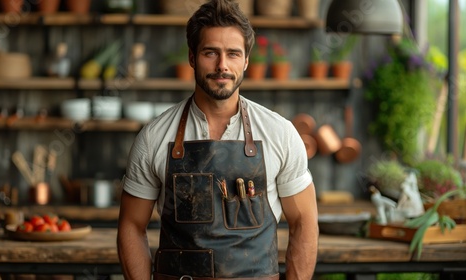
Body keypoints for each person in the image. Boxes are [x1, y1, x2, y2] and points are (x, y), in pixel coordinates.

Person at [117, 0, 319, 279]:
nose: (222, 65)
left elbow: (304, 222)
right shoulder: (154, 137)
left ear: (246, 60)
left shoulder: (280, 134)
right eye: (210, 52)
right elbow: (131, 225)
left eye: (233, 54)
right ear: (192, 57)